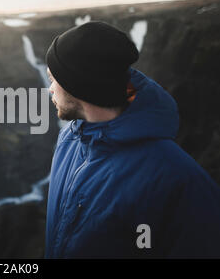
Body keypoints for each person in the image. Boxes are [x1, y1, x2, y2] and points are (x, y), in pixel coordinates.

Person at [44, 21, 220, 258]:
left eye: (54, 79)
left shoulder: (180, 180)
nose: (49, 89)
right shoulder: (69, 139)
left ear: (78, 86)